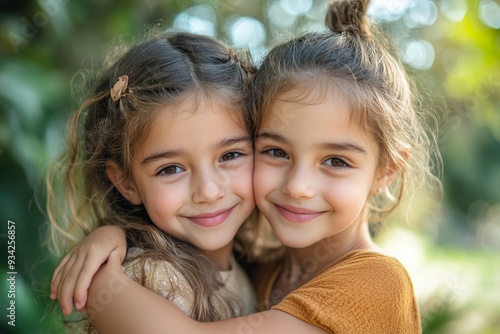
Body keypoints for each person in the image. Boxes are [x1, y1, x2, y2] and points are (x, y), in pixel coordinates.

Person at [51, 0, 442, 332]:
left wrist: (103, 287)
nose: (298, 186)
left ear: (386, 171)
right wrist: (116, 235)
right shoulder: (261, 270)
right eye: (276, 152)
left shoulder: (377, 283)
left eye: (336, 161)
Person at [46, 31, 260, 333]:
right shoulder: (154, 279)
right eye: (171, 169)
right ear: (126, 184)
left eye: (230, 155)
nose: (209, 192)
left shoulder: (252, 259)